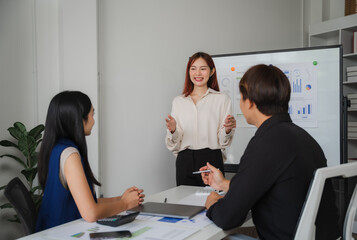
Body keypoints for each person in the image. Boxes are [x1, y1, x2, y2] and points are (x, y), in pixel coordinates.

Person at [200, 64, 340, 239]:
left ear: (249, 102)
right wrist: (223, 184)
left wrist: (212, 204)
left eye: (241, 98)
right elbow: (276, 185)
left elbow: (228, 217)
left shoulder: (265, 143)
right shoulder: (303, 137)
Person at [36, 91, 144, 232]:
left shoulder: (56, 148)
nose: (93, 120)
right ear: (79, 119)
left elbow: (86, 201)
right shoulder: (70, 155)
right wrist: (125, 204)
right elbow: (90, 212)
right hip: (64, 233)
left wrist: (121, 199)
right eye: (92, 114)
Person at [165, 52, 236, 186]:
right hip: (184, 161)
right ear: (188, 72)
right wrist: (173, 130)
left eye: (203, 68)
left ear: (211, 71)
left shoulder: (222, 99)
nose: (198, 73)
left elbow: (223, 142)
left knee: (213, 203)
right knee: (184, 204)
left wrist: (227, 130)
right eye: (193, 68)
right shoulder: (178, 101)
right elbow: (174, 144)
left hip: (211, 159)